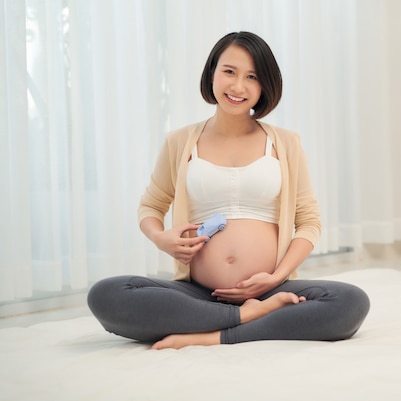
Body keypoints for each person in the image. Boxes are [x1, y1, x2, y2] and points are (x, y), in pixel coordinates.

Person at [87, 31, 370, 350]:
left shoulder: (286, 144)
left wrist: (277, 278)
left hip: (269, 289)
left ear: (265, 85)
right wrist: (160, 238)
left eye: (252, 76)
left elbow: (309, 222)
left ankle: (215, 333)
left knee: (350, 302)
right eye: (229, 72)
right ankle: (248, 319)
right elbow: (151, 206)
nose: (238, 86)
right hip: (199, 292)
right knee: (106, 295)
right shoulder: (180, 142)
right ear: (212, 74)